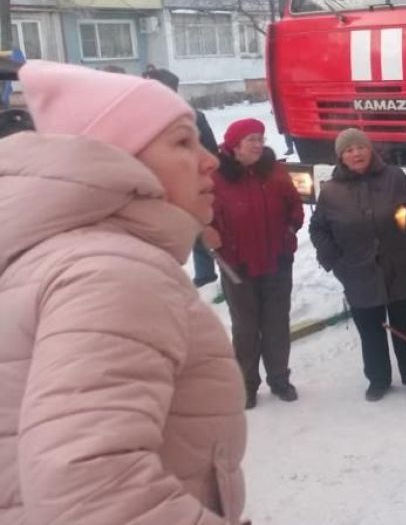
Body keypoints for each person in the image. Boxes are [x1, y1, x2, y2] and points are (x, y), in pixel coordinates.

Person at [0, 61, 247, 523]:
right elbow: (88, 489)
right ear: (117, 158)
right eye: (181, 141)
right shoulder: (115, 271)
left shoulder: (63, 255)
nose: (210, 158)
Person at [309, 128, 406, 402]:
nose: (356, 153)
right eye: (349, 150)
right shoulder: (331, 192)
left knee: (405, 328)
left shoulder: (394, 178)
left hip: (400, 268)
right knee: (371, 332)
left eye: (360, 147)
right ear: (341, 157)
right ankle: (378, 379)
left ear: (370, 149)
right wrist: (335, 261)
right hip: (358, 273)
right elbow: (318, 229)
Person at [208, 118, 304, 409]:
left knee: (276, 324)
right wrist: (207, 232)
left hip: (277, 260)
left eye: (261, 139)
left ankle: (279, 379)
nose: (258, 144)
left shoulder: (273, 170)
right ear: (234, 145)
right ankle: (247, 385)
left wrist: (289, 232)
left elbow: (294, 207)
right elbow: (200, 213)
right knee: (246, 329)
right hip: (238, 265)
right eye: (251, 139)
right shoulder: (215, 176)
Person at [144, 66, 221, 287]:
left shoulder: (192, 117)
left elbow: (211, 152)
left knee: (197, 230)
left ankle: (206, 278)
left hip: (182, 185)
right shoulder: (142, 118)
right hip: (155, 187)